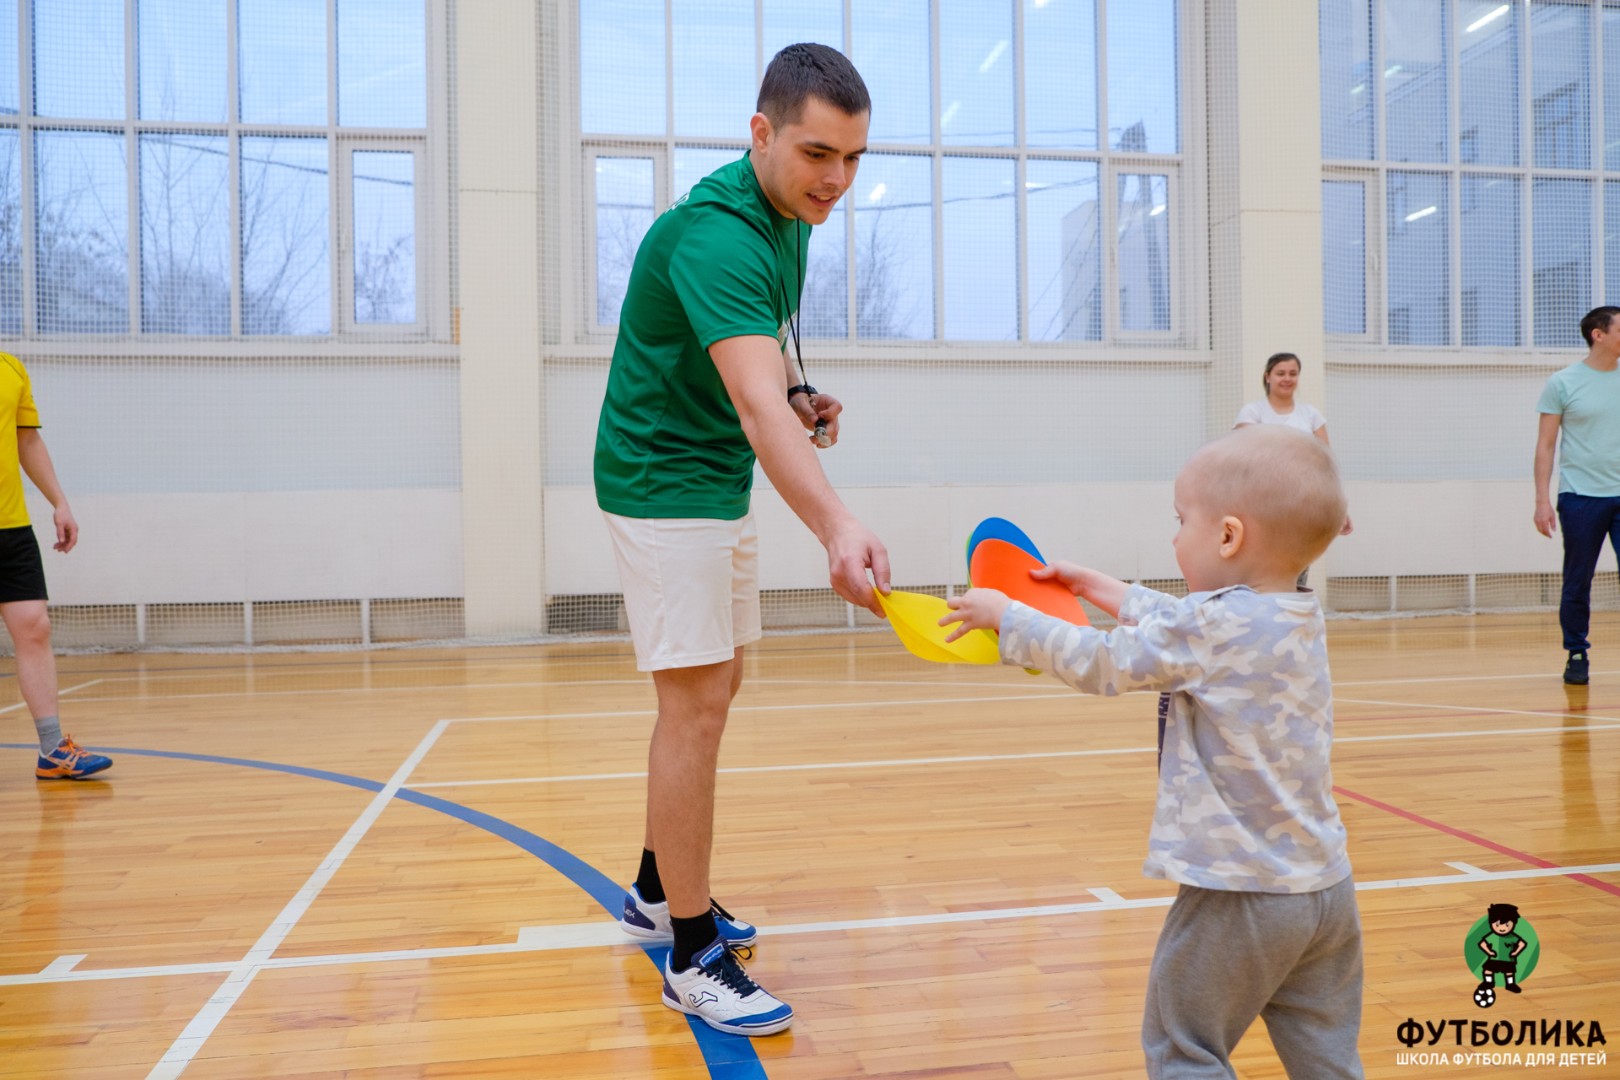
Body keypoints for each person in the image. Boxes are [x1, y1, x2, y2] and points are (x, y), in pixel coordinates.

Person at [592, 44, 888, 1037]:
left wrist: (804, 394)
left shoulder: (790, 216)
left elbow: (767, 378)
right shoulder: (717, 235)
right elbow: (760, 412)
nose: (836, 179)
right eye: (816, 153)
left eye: (851, 157)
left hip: (711, 475)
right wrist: (839, 523)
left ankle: (649, 885)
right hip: (659, 477)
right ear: (760, 133)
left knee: (716, 690)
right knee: (695, 708)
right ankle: (689, 952)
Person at [942, 425, 1363, 1079]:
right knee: (1324, 1054)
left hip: (1240, 892)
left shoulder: (1213, 627)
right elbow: (1188, 628)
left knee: (1183, 1048)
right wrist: (1097, 586)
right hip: (1325, 892)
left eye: (1181, 520)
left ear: (1228, 536)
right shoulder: (1291, 614)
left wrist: (1010, 619)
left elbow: (1105, 661)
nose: (1174, 535)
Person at [0, 352, 112, 781]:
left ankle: (52, 750)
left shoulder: (11, 368)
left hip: (11, 527)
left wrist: (59, 502)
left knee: (35, 627)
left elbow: (26, 440)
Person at [1534, 306, 1620, 687]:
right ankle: (1576, 652)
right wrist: (1541, 500)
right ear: (1598, 334)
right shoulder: (1563, 383)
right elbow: (1546, 445)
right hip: (1581, 497)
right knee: (1577, 580)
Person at [1235, 351, 1353, 583]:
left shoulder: (1311, 415)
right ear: (1268, 377)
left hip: (1301, 502)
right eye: (1280, 373)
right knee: (1260, 563)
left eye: (1293, 373)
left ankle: (1291, 613)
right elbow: (1244, 447)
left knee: (1297, 563)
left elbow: (1325, 462)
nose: (1287, 378)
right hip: (1261, 501)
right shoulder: (1252, 412)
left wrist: (1339, 506)